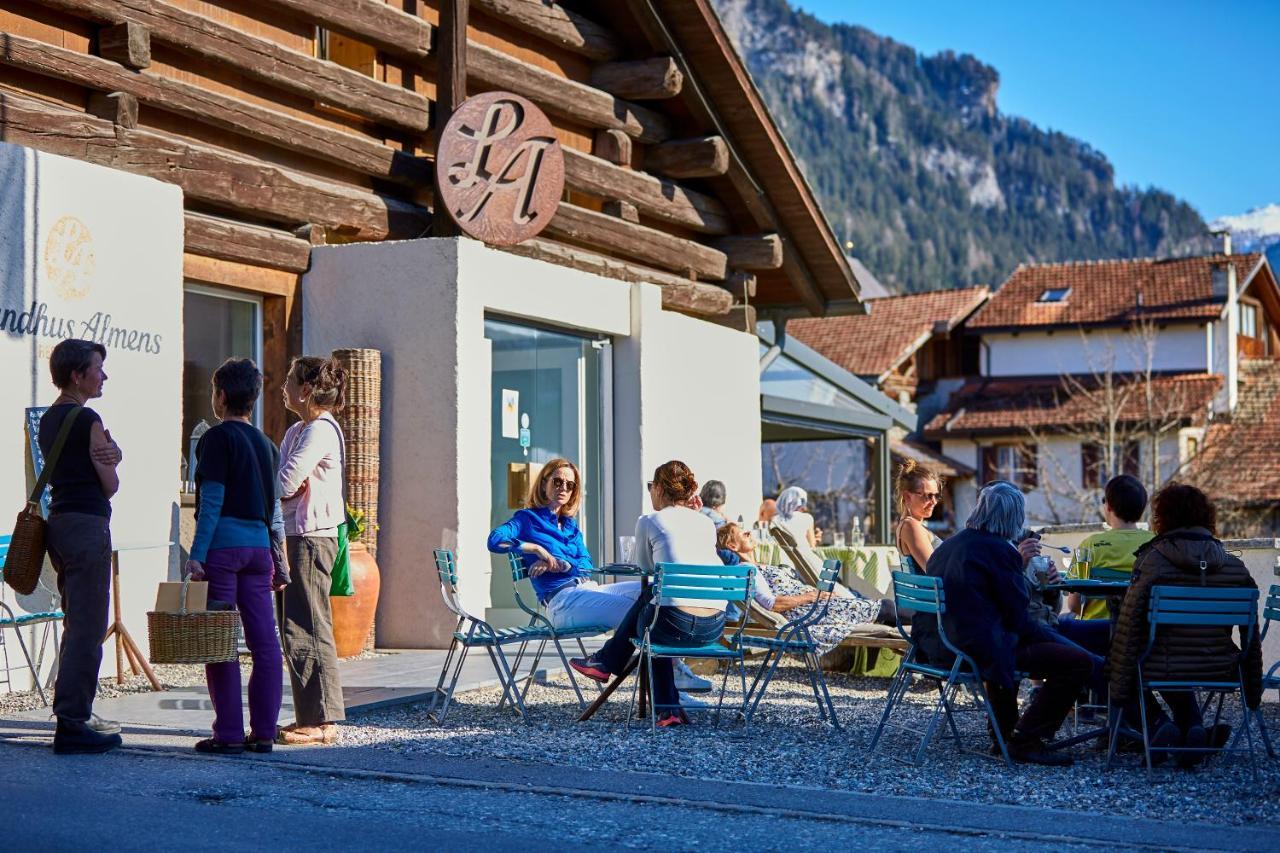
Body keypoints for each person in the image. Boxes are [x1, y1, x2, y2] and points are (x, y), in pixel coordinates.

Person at [916, 481, 1093, 766]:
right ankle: (1026, 740)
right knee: (1078, 662)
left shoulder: (950, 545)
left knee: (1013, 642)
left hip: (940, 646)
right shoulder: (1000, 552)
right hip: (974, 651)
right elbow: (1019, 620)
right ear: (1013, 518)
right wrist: (1055, 637)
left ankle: (1003, 734)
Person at [1109, 483, 1263, 768]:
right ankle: (1193, 728)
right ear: (1207, 518)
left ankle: (1157, 725)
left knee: (1124, 661)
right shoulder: (1235, 568)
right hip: (1220, 667)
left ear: (1162, 518)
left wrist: (1118, 686)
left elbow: (1129, 629)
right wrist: (1253, 689)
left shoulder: (1152, 562)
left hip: (1162, 663)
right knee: (1172, 655)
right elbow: (1251, 638)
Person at [569, 461, 727, 727]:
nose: (651, 492)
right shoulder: (706, 524)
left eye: (652, 487)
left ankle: (607, 662)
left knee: (652, 618)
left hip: (675, 624)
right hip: (713, 627)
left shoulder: (650, 521)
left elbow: (645, 568)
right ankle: (667, 710)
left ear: (662, 489)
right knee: (653, 606)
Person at [186, 359, 287, 754]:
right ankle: (264, 732)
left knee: (221, 641)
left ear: (221, 396)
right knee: (266, 643)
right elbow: (274, 510)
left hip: (224, 551)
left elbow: (211, 502)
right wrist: (280, 560)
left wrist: (197, 554)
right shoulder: (268, 446)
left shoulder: (215, 439)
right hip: (260, 551)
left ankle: (227, 732)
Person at [39, 339, 124, 754]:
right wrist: (113, 461)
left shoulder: (49, 420)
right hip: (89, 525)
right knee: (88, 627)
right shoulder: (87, 417)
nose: (103, 375)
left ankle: (70, 712)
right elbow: (109, 485)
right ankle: (73, 723)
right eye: (97, 367)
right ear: (78, 375)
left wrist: (110, 455)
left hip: (59, 524)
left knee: (75, 621)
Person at [276, 356, 348, 746]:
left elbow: (284, 482)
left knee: (310, 624)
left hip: (311, 536)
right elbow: (283, 482)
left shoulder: (319, 430)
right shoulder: (299, 430)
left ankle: (322, 721)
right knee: (293, 626)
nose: (283, 385)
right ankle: (309, 715)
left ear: (306, 389)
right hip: (295, 533)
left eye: (289, 379)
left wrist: (286, 490)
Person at [488, 459, 641, 631]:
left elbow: (586, 564)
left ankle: (628, 656)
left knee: (648, 591)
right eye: (558, 481)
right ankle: (621, 657)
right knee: (634, 610)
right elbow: (495, 540)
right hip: (562, 602)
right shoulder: (527, 519)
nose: (564, 488)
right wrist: (536, 549)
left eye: (570, 485)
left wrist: (563, 564)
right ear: (544, 483)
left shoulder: (570, 525)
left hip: (587, 589)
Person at [718, 523, 895, 653]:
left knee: (887, 610)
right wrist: (811, 596)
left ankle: (921, 638)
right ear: (733, 546)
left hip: (818, 607)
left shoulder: (757, 565)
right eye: (744, 534)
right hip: (810, 614)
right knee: (885, 607)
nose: (750, 533)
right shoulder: (748, 570)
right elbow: (771, 604)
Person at [1064, 474, 1153, 619]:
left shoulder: (1090, 545)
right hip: (1136, 631)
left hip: (1095, 630)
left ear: (1109, 506)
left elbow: (1074, 605)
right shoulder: (1155, 544)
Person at [894, 460, 943, 573]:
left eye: (936, 496)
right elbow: (935, 571)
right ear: (907, 496)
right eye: (928, 496)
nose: (934, 502)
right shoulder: (910, 526)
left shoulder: (909, 525)